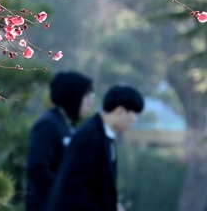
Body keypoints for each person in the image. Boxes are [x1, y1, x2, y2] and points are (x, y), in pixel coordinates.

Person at [47, 84, 144, 211]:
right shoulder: (89, 135)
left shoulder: (105, 135)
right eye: (134, 114)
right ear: (120, 111)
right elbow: (75, 188)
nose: (135, 119)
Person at [26, 70, 95, 211]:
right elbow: (37, 168)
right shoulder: (48, 124)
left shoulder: (67, 124)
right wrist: (64, 193)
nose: (90, 102)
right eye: (86, 96)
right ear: (72, 96)